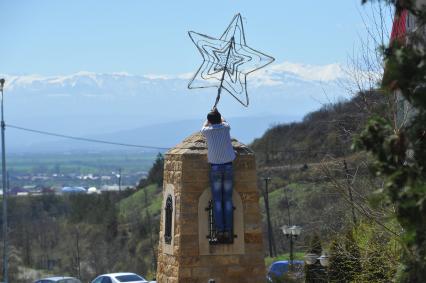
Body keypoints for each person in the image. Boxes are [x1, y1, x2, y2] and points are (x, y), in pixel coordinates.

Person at [201, 107, 236, 244]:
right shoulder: (226, 127)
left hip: (215, 168)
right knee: (227, 200)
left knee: (217, 201)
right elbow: (223, 120)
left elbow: (204, 125)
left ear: (209, 121)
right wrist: (217, 112)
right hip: (228, 166)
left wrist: (209, 115)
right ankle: (228, 230)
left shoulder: (206, 131)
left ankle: (220, 230)